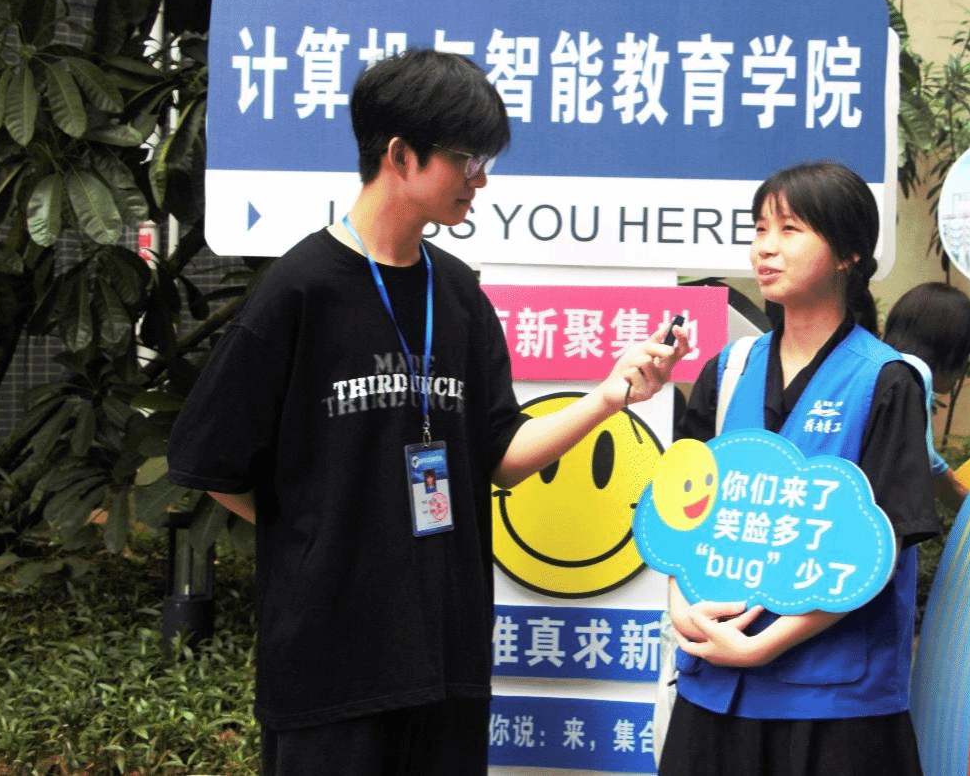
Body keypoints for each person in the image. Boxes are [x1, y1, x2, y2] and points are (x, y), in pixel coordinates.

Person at [166, 48, 689, 776]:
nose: (481, 180)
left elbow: (500, 456)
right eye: (467, 159)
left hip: (447, 659)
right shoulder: (299, 292)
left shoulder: (460, 295)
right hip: (330, 668)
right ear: (400, 155)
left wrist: (609, 396)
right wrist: (319, 540)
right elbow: (213, 463)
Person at [660, 160, 939, 776]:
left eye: (790, 230)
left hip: (831, 698)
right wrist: (683, 610)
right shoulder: (727, 370)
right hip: (715, 683)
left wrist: (762, 647)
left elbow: (881, 547)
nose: (765, 247)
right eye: (760, 229)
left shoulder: (886, 381)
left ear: (849, 254)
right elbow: (677, 512)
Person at [881, 281, 970, 503]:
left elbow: (928, 460)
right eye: (965, 352)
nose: (964, 366)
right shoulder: (915, 371)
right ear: (948, 347)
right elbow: (921, 460)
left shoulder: (882, 365)